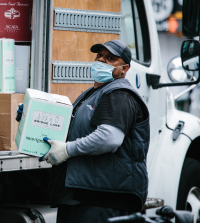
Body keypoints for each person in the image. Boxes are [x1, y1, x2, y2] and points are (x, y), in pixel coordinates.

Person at [16, 40, 150, 223]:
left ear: (124, 69)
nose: (101, 60)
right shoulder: (93, 94)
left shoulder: (119, 94)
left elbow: (109, 138)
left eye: (110, 58)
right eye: (99, 56)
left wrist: (67, 150)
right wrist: (31, 117)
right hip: (82, 196)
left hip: (104, 198)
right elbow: (70, 131)